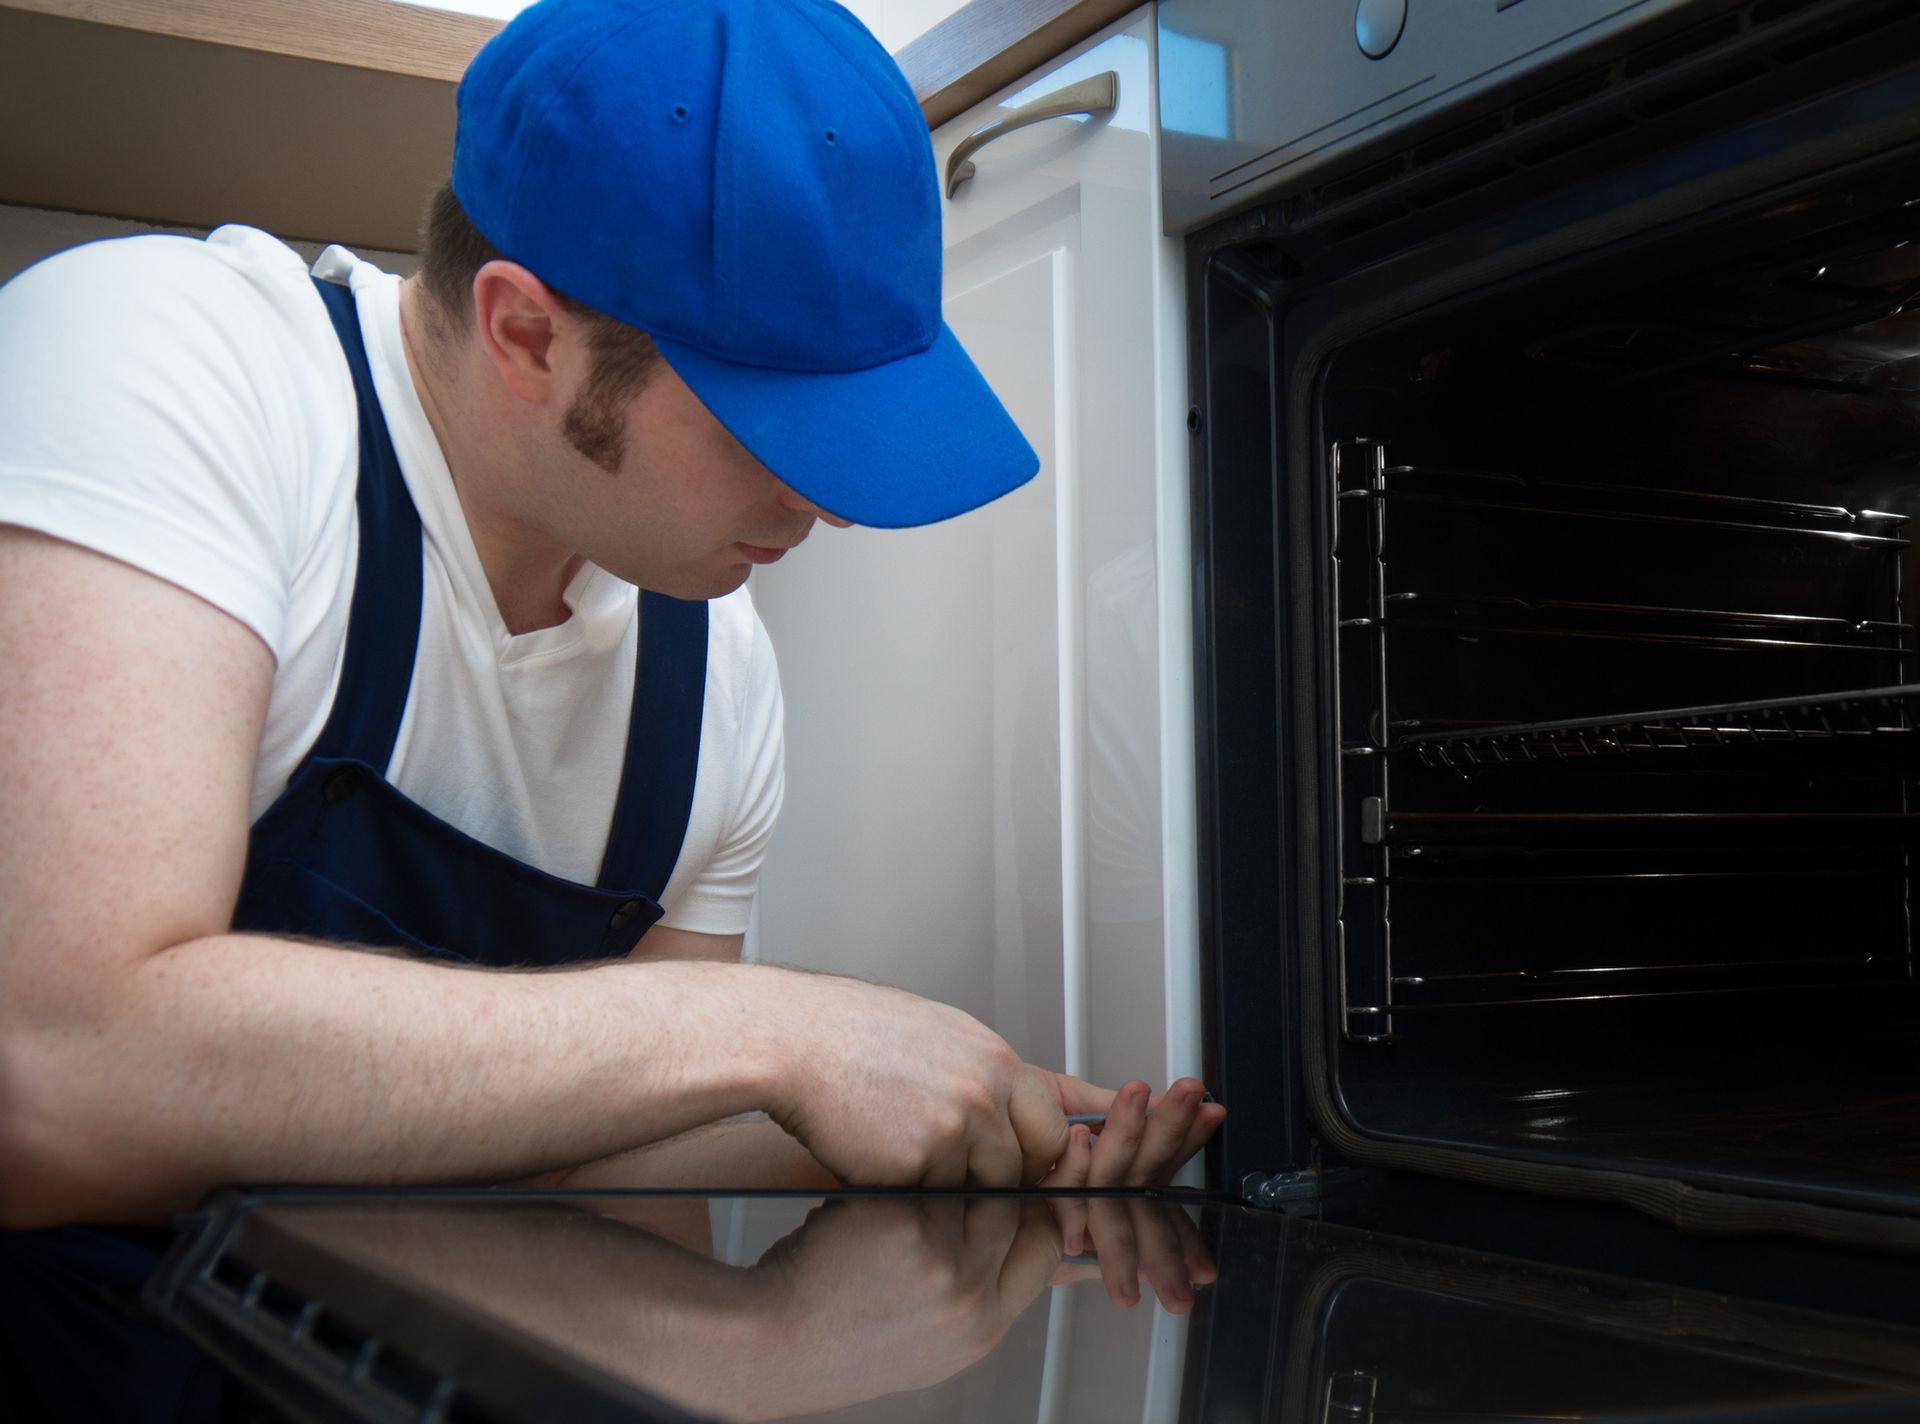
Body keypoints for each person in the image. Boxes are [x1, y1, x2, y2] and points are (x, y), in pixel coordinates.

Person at [0, 0, 1222, 1415]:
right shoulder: (179, 367)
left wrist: (921, 1127)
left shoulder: (718, 679)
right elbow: (53, 1074)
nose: (826, 500)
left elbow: (582, 1148)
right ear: (526, 333)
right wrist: (781, 1034)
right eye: (767, 425)